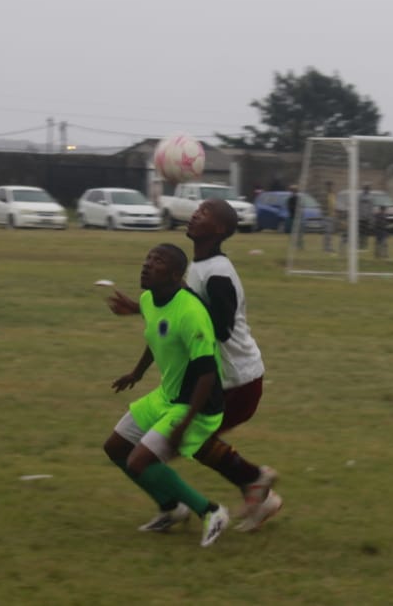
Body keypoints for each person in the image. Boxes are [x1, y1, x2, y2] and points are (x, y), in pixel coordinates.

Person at [107, 199, 282, 533]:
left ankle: (250, 484)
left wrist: (173, 310)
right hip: (222, 377)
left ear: (217, 230)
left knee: (181, 442)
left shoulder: (218, 273)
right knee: (187, 443)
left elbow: (219, 326)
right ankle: (253, 488)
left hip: (236, 379)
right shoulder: (201, 265)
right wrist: (145, 310)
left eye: (203, 213)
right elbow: (180, 315)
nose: (194, 215)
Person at [102, 243, 231, 547]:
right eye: (147, 258)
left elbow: (207, 373)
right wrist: (136, 373)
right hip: (167, 396)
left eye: (157, 261)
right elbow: (157, 331)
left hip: (197, 404)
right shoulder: (150, 299)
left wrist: (185, 423)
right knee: (116, 448)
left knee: (139, 461)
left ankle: (211, 511)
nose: (147, 265)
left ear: (175, 275)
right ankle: (172, 509)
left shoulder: (191, 312)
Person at [285, 184, 302, 249]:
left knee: (298, 232)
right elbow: (289, 207)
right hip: (292, 216)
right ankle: (294, 245)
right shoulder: (290, 199)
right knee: (293, 232)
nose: (293, 192)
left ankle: (299, 245)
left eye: (295, 190)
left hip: (297, 216)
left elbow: (300, 206)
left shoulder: (297, 198)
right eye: (293, 190)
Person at [322, 180, 337, 253]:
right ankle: (326, 248)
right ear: (327, 186)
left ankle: (330, 247)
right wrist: (324, 214)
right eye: (329, 185)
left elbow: (334, 205)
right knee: (327, 232)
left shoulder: (333, 194)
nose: (331, 187)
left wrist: (335, 213)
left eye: (332, 185)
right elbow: (323, 205)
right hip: (326, 216)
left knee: (330, 233)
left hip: (332, 216)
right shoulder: (325, 195)